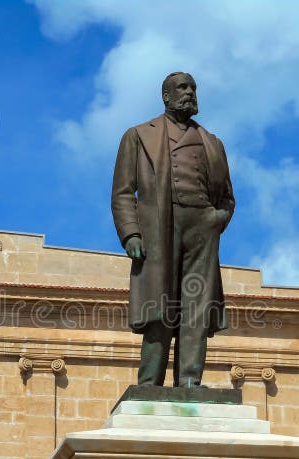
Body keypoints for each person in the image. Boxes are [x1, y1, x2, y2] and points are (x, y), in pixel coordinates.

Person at [111, 71, 235, 387]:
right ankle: (150, 382)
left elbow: (227, 197)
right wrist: (131, 233)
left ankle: (190, 380)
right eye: (182, 87)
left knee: (196, 306)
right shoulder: (138, 135)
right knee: (159, 306)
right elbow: (123, 191)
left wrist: (216, 219)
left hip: (201, 231)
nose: (190, 93)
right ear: (166, 96)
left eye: (193, 87)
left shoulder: (213, 143)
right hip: (159, 228)